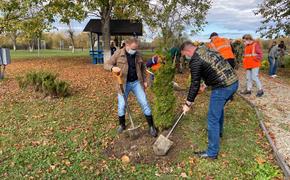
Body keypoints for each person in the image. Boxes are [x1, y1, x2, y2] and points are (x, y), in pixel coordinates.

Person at [180, 41, 238, 159]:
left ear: (187, 51)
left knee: (212, 119)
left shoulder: (195, 60)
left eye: (184, 55)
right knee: (218, 110)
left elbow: (194, 84)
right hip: (234, 82)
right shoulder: (206, 49)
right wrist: (206, 84)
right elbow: (213, 67)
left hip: (222, 87)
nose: (185, 58)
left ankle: (212, 153)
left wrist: (188, 103)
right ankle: (219, 133)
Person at [104, 37, 158, 137]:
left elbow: (143, 68)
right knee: (122, 105)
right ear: (127, 45)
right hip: (123, 83)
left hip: (137, 82)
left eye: (136, 49)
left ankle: (151, 126)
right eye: (133, 49)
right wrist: (112, 67)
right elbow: (106, 64)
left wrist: (145, 81)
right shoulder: (118, 53)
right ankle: (122, 124)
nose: (135, 51)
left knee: (144, 103)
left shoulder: (138, 54)